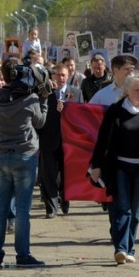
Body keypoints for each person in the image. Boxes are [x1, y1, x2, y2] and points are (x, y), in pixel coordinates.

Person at [89, 73, 139, 264]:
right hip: (120, 167)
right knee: (123, 208)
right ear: (127, 90)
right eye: (137, 89)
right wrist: (96, 165)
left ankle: (130, 248)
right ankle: (121, 248)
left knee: (135, 211)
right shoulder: (115, 111)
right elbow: (102, 141)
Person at [0, 57, 49, 268]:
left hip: (2, 156)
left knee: (1, 208)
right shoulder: (31, 99)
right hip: (25, 156)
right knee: (23, 210)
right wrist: (44, 99)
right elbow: (40, 122)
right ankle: (22, 255)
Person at [39, 64, 80, 219]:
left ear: (68, 75)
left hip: (69, 141)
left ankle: (65, 199)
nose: (60, 78)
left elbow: (80, 116)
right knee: (48, 174)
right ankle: (51, 207)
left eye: (63, 75)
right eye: (57, 75)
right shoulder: (44, 93)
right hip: (48, 139)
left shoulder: (76, 93)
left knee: (66, 174)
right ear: (52, 76)